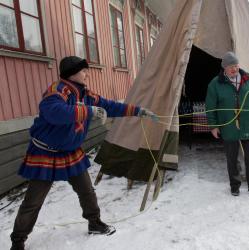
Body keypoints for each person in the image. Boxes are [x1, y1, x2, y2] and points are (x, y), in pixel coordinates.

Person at [10, 56, 157, 250]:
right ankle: (18, 241)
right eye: (84, 70)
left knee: (86, 191)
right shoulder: (57, 91)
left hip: (70, 152)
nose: (87, 73)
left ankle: (94, 222)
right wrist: (88, 111)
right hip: (45, 152)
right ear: (73, 73)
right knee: (33, 201)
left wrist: (138, 111)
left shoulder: (86, 94)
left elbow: (110, 106)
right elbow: (54, 112)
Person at [205, 51, 249, 197]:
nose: (234, 69)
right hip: (228, 126)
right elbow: (210, 106)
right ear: (224, 68)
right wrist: (213, 126)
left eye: (236, 65)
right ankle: (235, 186)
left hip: (248, 125)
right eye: (230, 66)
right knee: (232, 159)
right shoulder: (215, 84)